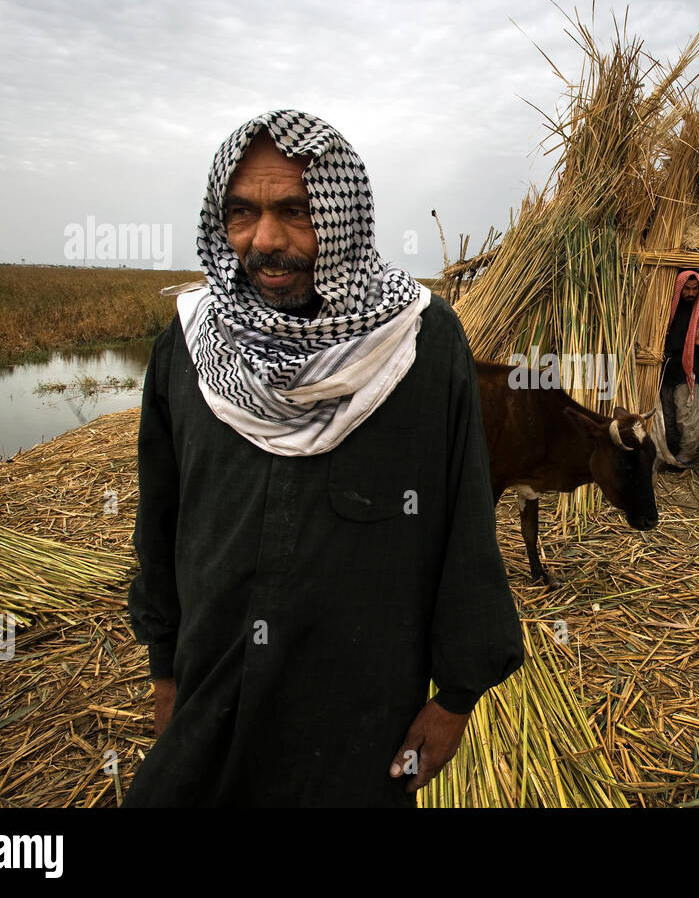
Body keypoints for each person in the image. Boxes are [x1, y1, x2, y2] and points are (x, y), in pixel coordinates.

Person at [124, 109, 523, 807]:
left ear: (344, 217)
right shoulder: (187, 351)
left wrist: (455, 697)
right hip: (208, 708)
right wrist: (166, 670)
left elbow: (463, 527)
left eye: (296, 211)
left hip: (354, 734)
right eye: (242, 212)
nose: (265, 240)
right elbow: (160, 528)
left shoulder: (420, 347)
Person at [660, 270, 699, 466]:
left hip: (687, 370)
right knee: (667, 414)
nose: (691, 293)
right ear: (679, 288)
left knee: (687, 416)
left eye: (695, 289)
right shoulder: (667, 306)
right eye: (687, 289)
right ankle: (670, 450)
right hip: (664, 369)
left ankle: (687, 454)